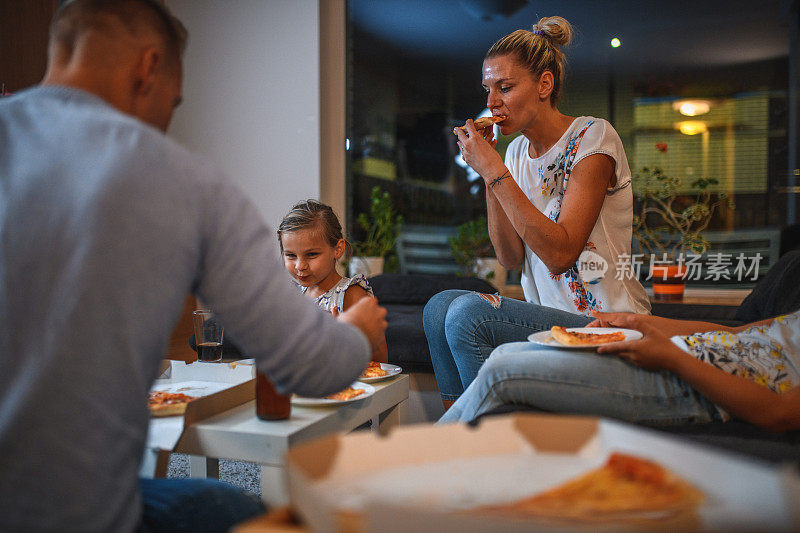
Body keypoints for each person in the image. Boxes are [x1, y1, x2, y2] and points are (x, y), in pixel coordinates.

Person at [0, 1, 387, 532]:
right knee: (261, 516)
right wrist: (358, 332)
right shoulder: (184, 182)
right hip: (74, 511)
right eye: (174, 101)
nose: (166, 119)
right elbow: (309, 366)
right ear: (148, 67)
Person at [425, 16, 649, 409]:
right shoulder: (512, 155)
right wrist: (492, 165)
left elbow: (560, 255)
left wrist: (493, 171)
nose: (492, 101)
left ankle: (481, 436)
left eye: (505, 87)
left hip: (608, 326)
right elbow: (510, 257)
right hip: (548, 324)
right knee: (437, 308)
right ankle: (464, 434)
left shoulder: (593, 137)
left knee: (466, 314)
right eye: (488, 89)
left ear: (544, 85)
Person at [439, 310, 800, 433]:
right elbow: (736, 335)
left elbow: (780, 414)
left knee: (503, 370)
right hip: (674, 356)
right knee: (506, 351)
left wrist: (672, 358)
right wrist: (637, 322)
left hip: (694, 387)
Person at [278, 199, 388, 362]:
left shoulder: (352, 295)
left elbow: (381, 360)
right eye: (291, 255)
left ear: (337, 249)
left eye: (311, 254)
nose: (300, 266)